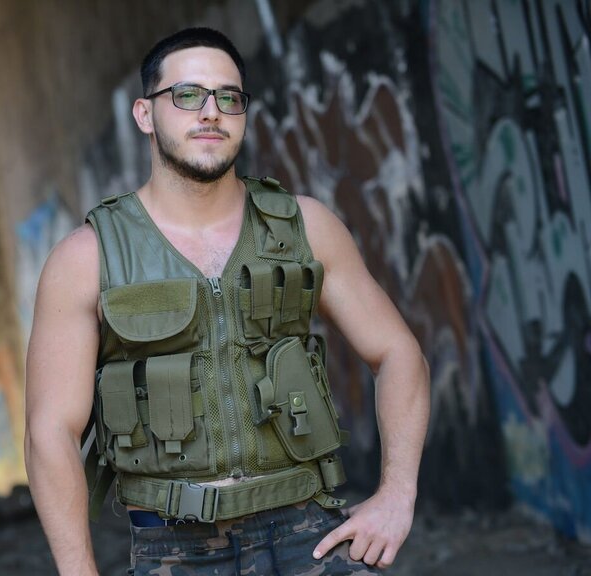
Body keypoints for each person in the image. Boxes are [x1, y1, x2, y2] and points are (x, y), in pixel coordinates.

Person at [25, 27, 429, 575]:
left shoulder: (305, 227)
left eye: (228, 97)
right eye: (187, 95)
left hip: (308, 534)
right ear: (145, 114)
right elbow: (50, 431)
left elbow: (398, 353)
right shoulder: (87, 258)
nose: (211, 112)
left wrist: (397, 495)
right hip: (174, 549)